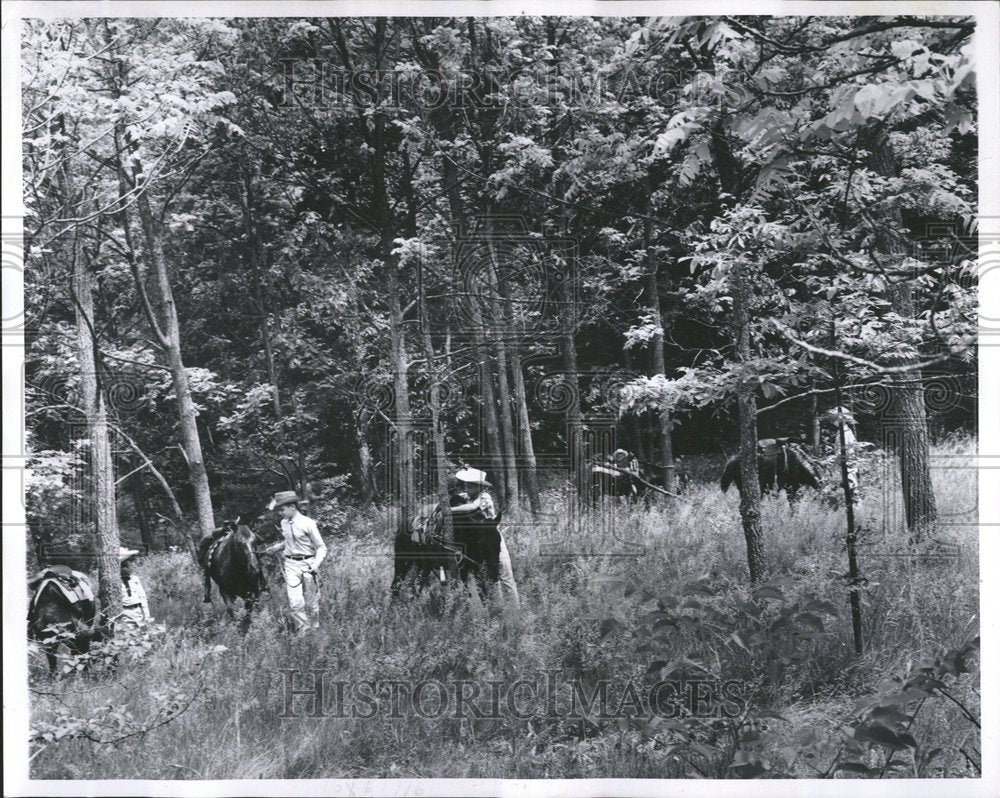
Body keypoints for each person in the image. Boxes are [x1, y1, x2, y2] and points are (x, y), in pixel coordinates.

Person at [450, 467, 520, 608]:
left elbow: (472, 508)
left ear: (478, 487)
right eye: (466, 485)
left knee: (505, 573)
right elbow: (457, 498)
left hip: (493, 538)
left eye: (470, 486)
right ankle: (498, 608)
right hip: (479, 541)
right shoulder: (467, 496)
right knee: (491, 576)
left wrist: (450, 509)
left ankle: (515, 608)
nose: (467, 488)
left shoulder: (484, 497)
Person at [265, 491, 327, 632]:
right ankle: (303, 630)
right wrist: (276, 547)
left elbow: (321, 547)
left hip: (308, 564)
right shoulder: (284, 523)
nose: (280, 513)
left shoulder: (308, 523)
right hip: (291, 565)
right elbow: (289, 542)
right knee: (295, 602)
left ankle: (315, 628)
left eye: (282, 509)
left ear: (292, 507)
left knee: (311, 600)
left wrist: (315, 565)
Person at [826, 405, 859, 493]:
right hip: (841, 464)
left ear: (843, 419)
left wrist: (836, 459)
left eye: (835, 418)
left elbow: (848, 450)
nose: (833, 421)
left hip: (847, 464)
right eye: (833, 418)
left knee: (851, 488)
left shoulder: (846, 433)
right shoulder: (840, 432)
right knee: (836, 488)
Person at [119, 547, 153, 627]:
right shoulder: (116, 582)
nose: (127, 567)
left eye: (128, 564)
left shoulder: (135, 579)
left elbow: (142, 598)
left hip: (137, 612)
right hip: (125, 613)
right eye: (123, 565)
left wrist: (146, 615)